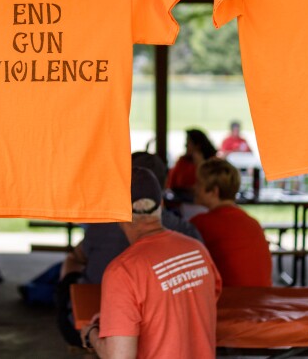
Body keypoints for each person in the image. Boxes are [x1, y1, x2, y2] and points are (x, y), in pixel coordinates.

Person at [56, 153, 202, 346]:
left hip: (113, 324)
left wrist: (90, 332)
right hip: (167, 327)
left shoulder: (117, 262)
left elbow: (120, 352)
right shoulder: (192, 242)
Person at [80, 167, 221, 358]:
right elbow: (188, 306)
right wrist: (117, 318)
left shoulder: (122, 272)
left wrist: (91, 334)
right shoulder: (198, 251)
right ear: (161, 204)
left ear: (117, 211)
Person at [190, 158, 272, 287]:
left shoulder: (201, 223)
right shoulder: (252, 222)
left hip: (229, 300)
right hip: (262, 298)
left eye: (199, 184)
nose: (194, 188)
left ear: (214, 191)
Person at [165, 128, 217, 196]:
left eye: (188, 142)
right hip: (181, 200)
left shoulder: (213, 162)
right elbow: (171, 184)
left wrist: (199, 164)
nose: (185, 145)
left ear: (197, 145)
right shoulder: (182, 161)